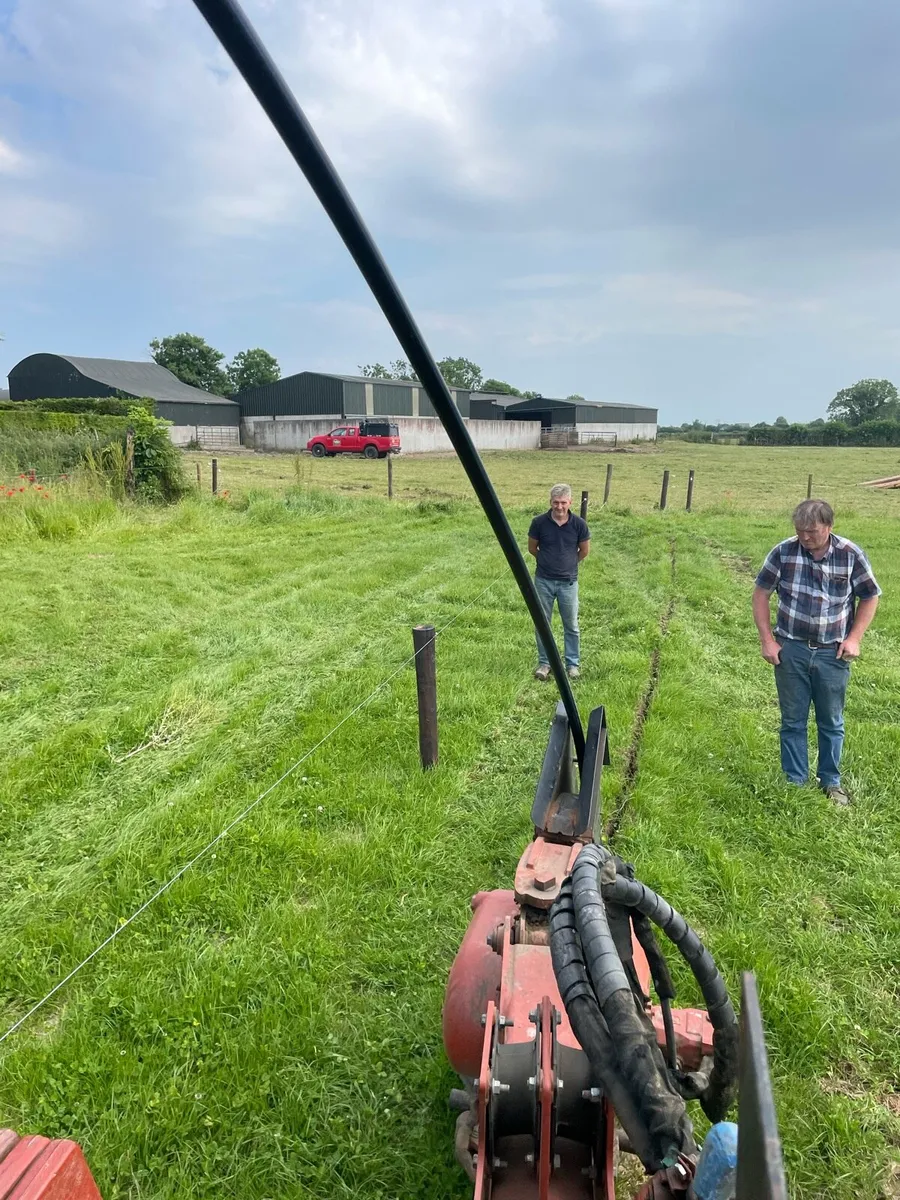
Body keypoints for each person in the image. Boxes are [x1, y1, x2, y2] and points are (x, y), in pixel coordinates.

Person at [751, 498, 880, 805]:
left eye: (812, 531)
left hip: (832, 653)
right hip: (791, 649)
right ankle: (795, 782)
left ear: (829, 526)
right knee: (792, 720)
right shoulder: (783, 552)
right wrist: (767, 640)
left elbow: (870, 596)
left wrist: (854, 638)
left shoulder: (850, 554)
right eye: (800, 530)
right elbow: (760, 594)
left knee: (831, 720)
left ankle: (830, 781)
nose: (805, 537)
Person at [528, 484, 590, 681]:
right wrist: (547, 562)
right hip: (543, 581)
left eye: (563, 502)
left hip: (568, 583)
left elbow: (584, 551)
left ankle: (572, 665)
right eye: (556, 502)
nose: (559, 507)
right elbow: (532, 548)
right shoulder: (538, 523)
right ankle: (545, 663)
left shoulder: (579, 525)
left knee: (571, 625)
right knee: (542, 623)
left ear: (570, 502)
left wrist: (568, 564)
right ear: (550, 502)